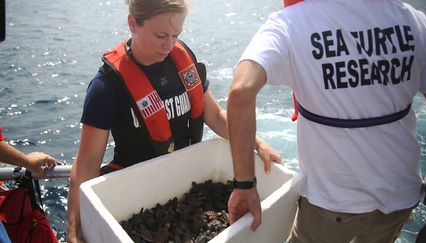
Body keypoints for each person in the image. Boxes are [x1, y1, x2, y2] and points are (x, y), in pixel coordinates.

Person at [66, 0, 282, 242]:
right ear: (132, 24)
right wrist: (75, 228)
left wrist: (256, 143)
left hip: (185, 185)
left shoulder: (182, 62)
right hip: (135, 197)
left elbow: (216, 116)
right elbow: (87, 163)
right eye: (160, 35)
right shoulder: (105, 87)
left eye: (175, 35)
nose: (168, 46)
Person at [227, 0, 426, 242]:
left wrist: (245, 185)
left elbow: (240, 91)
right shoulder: (413, 20)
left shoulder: (291, 23)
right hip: (400, 194)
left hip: (334, 201)